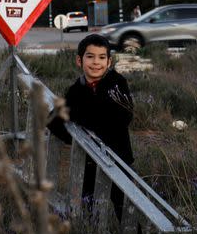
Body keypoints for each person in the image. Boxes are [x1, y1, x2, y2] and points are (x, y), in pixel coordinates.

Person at [47, 34, 134, 214]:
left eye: (102, 57)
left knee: (124, 208)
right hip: (89, 160)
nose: (96, 62)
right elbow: (53, 121)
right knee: (87, 207)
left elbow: (123, 117)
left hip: (118, 160)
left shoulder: (117, 83)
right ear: (79, 60)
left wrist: (82, 117)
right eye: (90, 56)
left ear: (109, 62)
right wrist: (76, 139)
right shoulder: (76, 90)